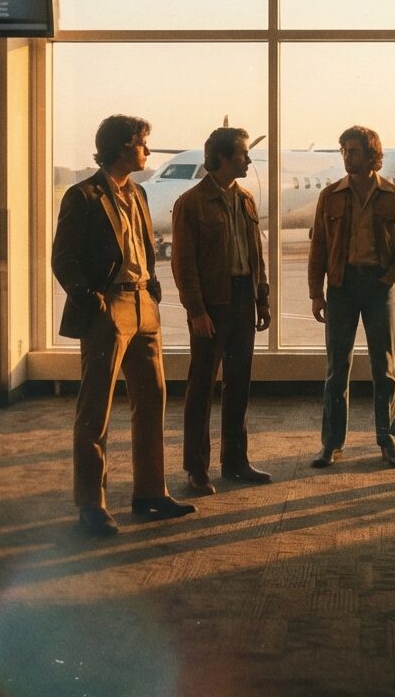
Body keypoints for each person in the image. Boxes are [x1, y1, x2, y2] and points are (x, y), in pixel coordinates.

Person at [52, 114, 195, 537]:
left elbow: (144, 251)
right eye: (142, 143)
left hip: (142, 305)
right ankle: (91, 504)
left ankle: (150, 493)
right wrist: (89, 298)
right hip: (108, 306)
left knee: (152, 400)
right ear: (121, 147)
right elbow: (63, 257)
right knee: (94, 408)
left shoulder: (140, 195)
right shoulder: (83, 196)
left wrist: (151, 286)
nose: (147, 151)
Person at [308, 126, 395, 469]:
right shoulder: (330, 196)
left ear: (373, 156)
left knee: (384, 368)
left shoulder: (394, 196)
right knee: (335, 369)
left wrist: (390, 277)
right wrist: (316, 293)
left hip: (377, 286)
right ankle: (331, 444)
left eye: (353, 151)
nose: (346, 157)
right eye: (343, 151)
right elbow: (320, 247)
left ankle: (388, 440)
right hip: (341, 287)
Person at [171, 127, 271, 496]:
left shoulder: (245, 199)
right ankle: (197, 468)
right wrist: (196, 311)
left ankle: (236, 461)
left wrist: (263, 299)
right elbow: (184, 264)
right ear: (224, 158)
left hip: (243, 300)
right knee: (201, 387)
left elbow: (255, 257)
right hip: (212, 305)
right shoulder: (191, 202)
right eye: (243, 154)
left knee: (239, 384)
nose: (248, 160)